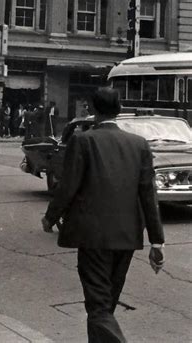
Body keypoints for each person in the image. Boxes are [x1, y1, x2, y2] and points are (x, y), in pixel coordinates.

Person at [41, 87, 165, 343]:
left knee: (98, 306)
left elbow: (68, 186)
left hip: (93, 236)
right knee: (106, 304)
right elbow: (148, 194)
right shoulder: (138, 144)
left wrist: (50, 217)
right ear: (118, 111)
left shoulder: (83, 141)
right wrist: (157, 240)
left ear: (93, 109)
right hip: (127, 237)